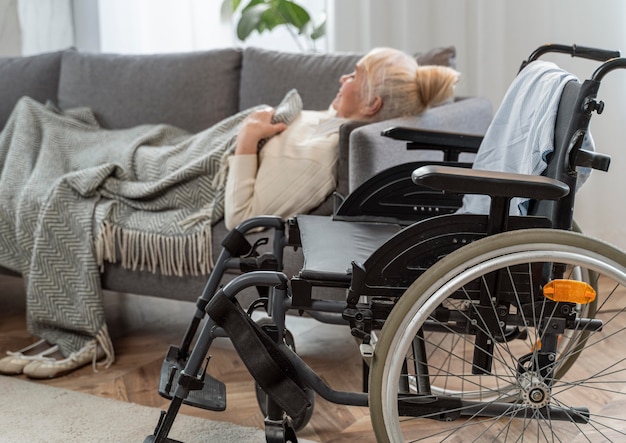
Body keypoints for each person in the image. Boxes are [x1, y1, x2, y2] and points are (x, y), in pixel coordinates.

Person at [0, 47, 459, 379]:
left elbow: (244, 214)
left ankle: (71, 336)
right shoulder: (327, 124)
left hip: (180, 172)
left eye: (353, 74)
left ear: (373, 103)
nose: (342, 78)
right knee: (31, 119)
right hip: (174, 146)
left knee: (50, 163)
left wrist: (246, 138)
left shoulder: (319, 152)